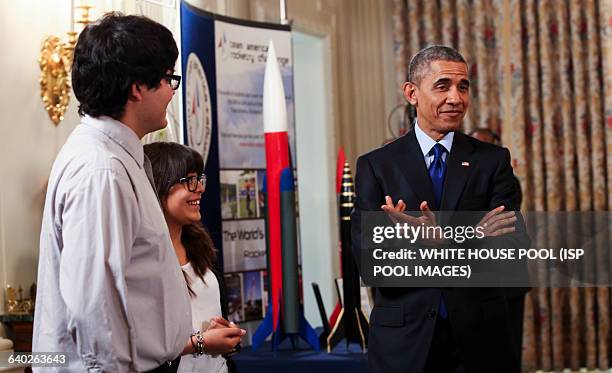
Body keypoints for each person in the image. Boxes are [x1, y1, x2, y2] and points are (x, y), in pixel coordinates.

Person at [33, 13, 243, 372]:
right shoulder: (102, 170)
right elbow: (92, 304)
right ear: (136, 88)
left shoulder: (119, 158)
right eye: (167, 79)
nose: (172, 90)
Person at [351, 45, 530, 373]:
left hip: (481, 340)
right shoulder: (376, 167)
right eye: (442, 86)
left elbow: (510, 249)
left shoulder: (492, 161)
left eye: (463, 87)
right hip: (405, 342)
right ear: (412, 93)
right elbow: (370, 260)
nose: (456, 98)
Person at [144, 141, 241, 373]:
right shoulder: (141, 259)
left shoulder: (202, 247)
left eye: (200, 179)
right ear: (159, 185)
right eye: (189, 181)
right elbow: (139, 347)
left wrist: (224, 334)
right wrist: (201, 343)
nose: (200, 188)